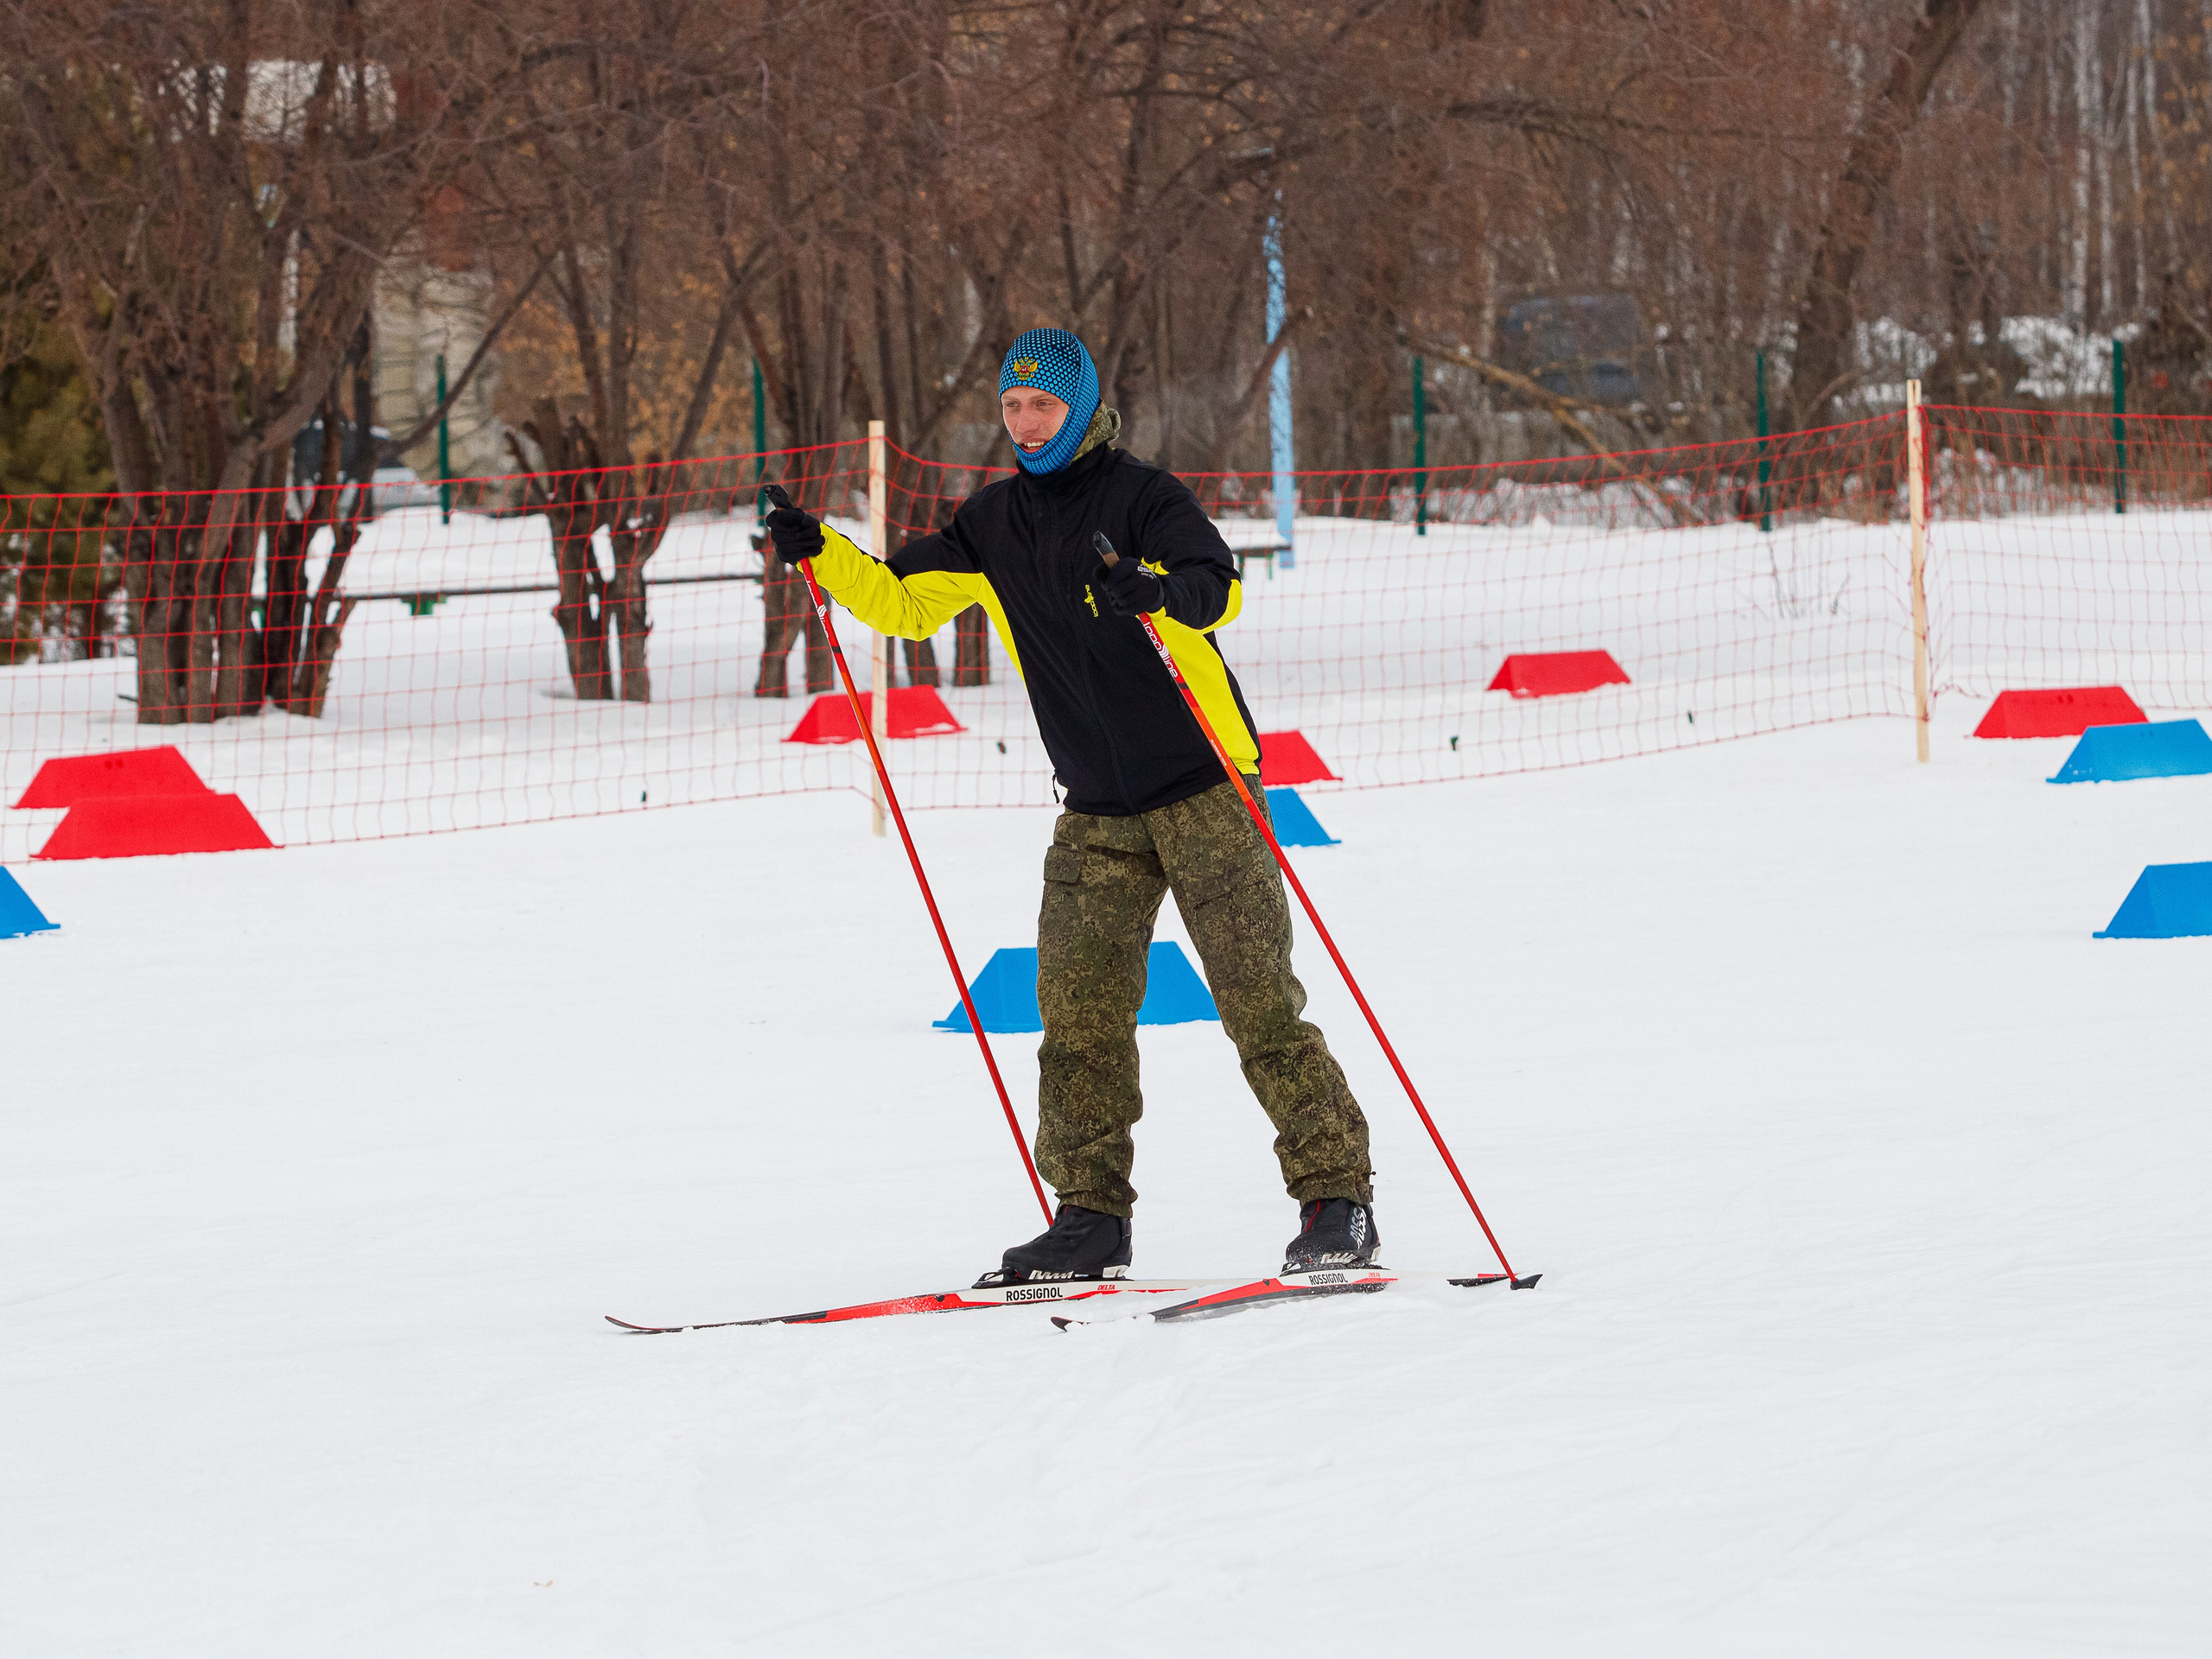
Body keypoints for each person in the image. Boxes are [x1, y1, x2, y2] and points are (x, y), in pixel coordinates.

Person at [761, 327, 1376, 1281]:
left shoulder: (1143, 497)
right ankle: (1091, 1216)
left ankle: (1335, 1199)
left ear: (1081, 406)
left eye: (1041, 405)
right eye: (1011, 406)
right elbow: (901, 604)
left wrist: (1153, 590)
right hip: (1095, 805)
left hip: (1207, 787)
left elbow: (1219, 591)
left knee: (1258, 1005)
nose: (1024, 422)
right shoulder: (994, 522)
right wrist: (823, 551)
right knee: (1077, 1014)